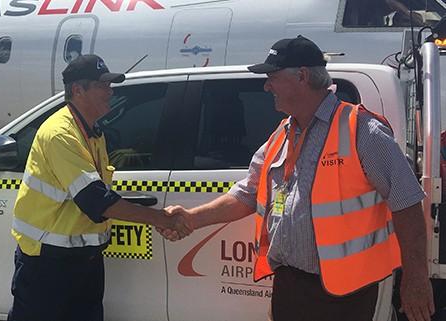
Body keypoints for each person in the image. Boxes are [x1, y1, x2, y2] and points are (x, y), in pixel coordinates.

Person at [160, 36, 434, 321]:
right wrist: (191, 218)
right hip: (290, 286)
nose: (266, 86)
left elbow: (407, 203)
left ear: (302, 76)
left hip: (344, 296)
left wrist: (415, 278)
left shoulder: (362, 130)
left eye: (272, 77)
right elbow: (248, 193)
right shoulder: (282, 134)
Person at [7, 54, 192, 321]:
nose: (110, 91)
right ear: (77, 90)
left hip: (83, 260)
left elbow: (96, 194)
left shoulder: (92, 132)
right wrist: (162, 219)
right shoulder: (60, 134)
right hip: (48, 263)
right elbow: (96, 200)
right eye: (102, 85)